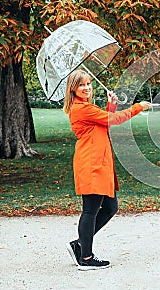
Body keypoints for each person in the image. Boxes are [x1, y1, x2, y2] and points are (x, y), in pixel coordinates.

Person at [63, 69, 150, 271]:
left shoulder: (86, 107)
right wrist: (139, 107)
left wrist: (111, 105)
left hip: (99, 162)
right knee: (90, 210)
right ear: (73, 89)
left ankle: (79, 244)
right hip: (91, 163)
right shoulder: (81, 108)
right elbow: (115, 119)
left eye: (89, 84)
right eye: (82, 85)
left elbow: (104, 123)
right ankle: (86, 258)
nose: (87, 88)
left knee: (110, 208)